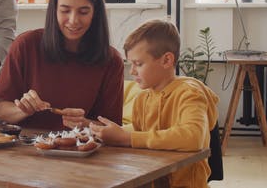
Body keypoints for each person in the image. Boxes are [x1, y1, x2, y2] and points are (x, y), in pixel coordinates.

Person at [90, 19, 219, 188]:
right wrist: (105, 132)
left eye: (138, 64)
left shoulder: (189, 94)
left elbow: (193, 137)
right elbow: (140, 132)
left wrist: (128, 138)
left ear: (166, 60)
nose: (132, 71)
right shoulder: (142, 99)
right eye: (130, 64)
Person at [0, 0, 124, 130]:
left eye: (83, 12)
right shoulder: (25, 45)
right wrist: (22, 110)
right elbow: (0, 111)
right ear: (54, 10)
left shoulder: (112, 60)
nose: (73, 20)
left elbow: (113, 127)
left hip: (82, 149)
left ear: (95, 13)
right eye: (65, 11)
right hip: (26, 148)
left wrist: (85, 124)